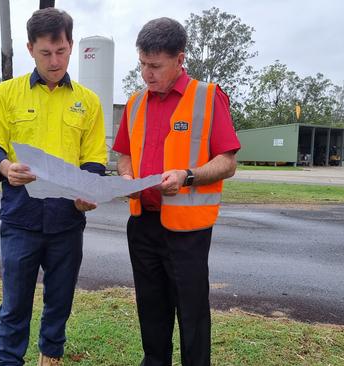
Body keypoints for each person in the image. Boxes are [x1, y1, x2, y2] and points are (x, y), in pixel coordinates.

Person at [0, 7, 107, 366]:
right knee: (15, 303)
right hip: (21, 217)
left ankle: (50, 358)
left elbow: (94, 158)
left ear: (71, 45)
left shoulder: (88, 102)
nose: (55, 61)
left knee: (60, 300)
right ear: (31, 48)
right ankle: (7, 361)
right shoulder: (7, 94)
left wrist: (88, 192)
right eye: (46, 53)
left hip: (67, 219)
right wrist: (4, 167)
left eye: (62, 51)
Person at [112, 17, 241, 366]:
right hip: (142, 224)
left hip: (188, 229)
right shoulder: (135, 103)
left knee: (191, 311)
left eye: (155, 66)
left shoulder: (208, 97)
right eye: (141, 64)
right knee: (150, 308)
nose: (146, 74)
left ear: (179, 59)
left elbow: (227, 162)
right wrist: (127, 177)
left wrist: (187, 176)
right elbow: (124, 154)